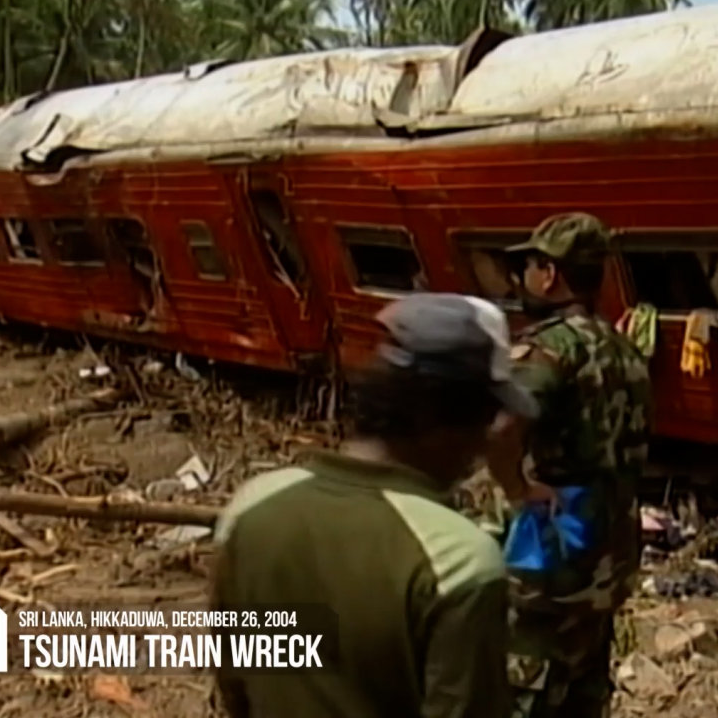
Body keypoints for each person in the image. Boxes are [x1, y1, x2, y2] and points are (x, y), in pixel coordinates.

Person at [210, 293, 539, 718]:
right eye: (482, 420)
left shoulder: (251, 508)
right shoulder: (456, 559)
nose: (483, 443)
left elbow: (236, 682)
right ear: (440, 415)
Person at [488, 213, 653, 718]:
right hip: (610, 559)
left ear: (551, 274)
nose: (524, 278)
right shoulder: (626, 350)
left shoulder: (548, 350)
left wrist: (516, 490)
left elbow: (499, 429)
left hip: (551, 562)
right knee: (584, 690)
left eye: (531, 265)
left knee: (526, 691)